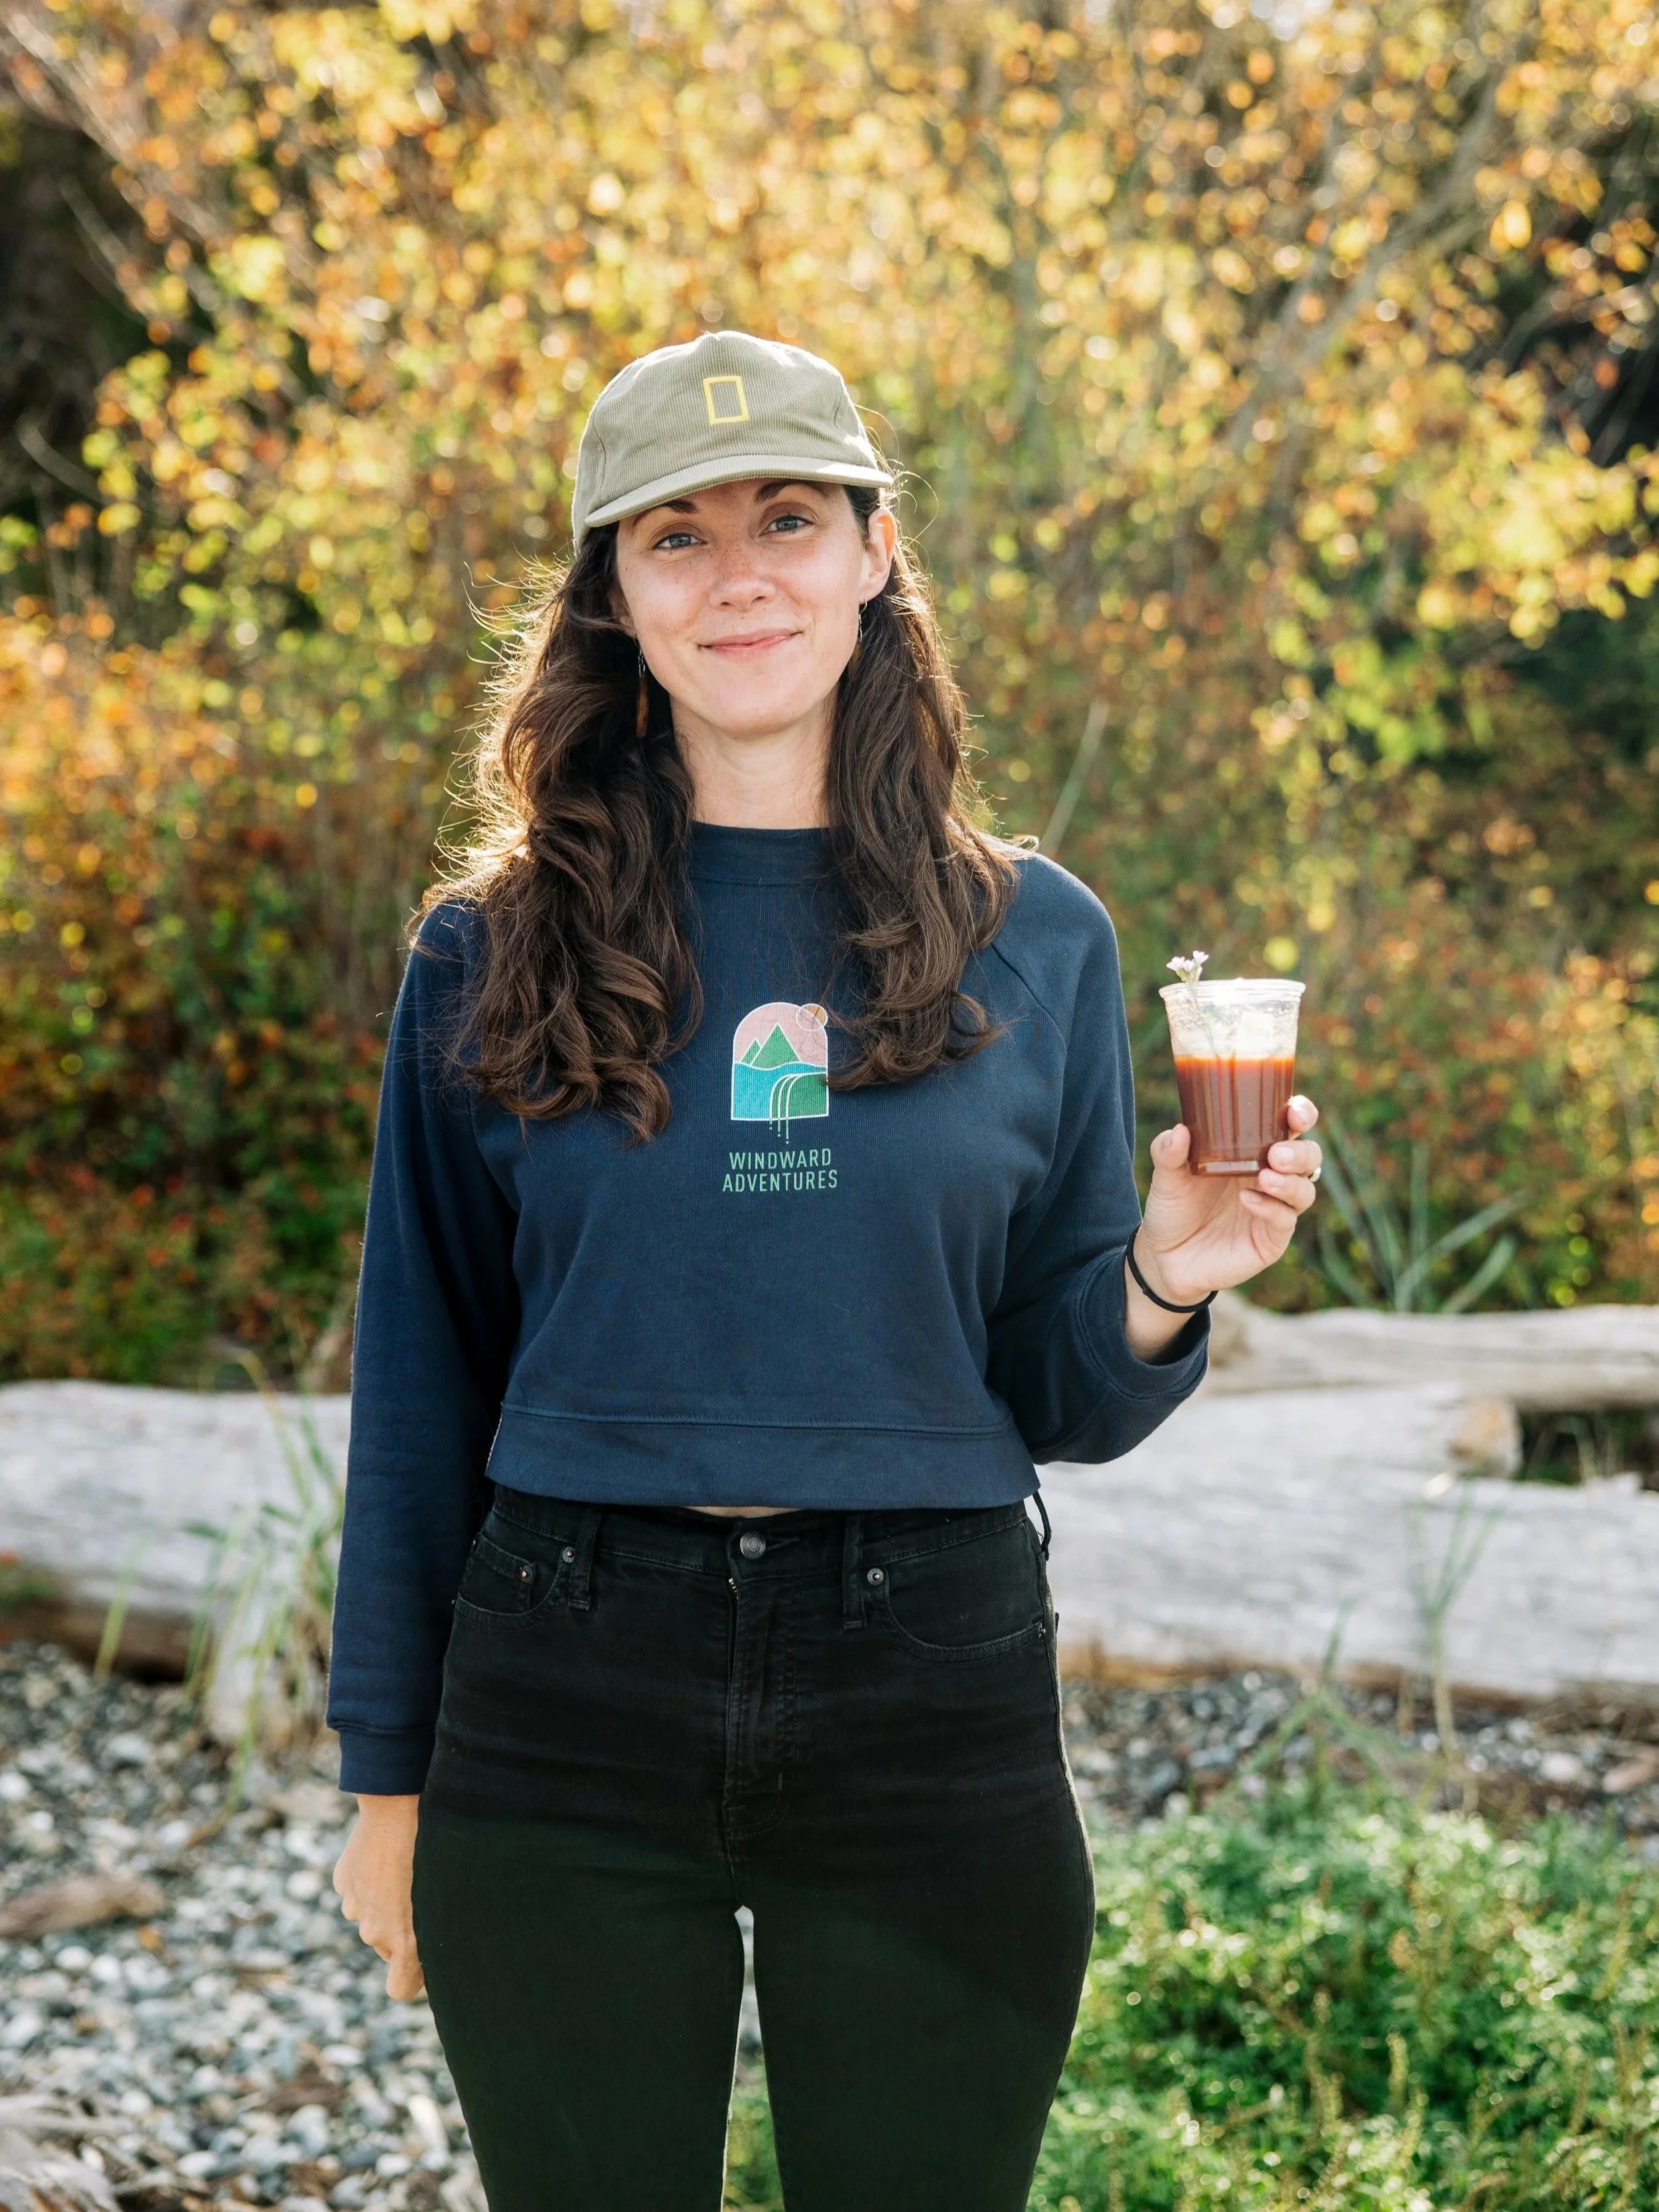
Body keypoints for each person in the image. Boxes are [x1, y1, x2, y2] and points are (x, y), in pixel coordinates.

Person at [326, 329, 1322, 2212]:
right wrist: (390, 1782)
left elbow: (1050, 1393)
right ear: (614, 597)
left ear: (874, 550)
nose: (742, 573)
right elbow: (421, 1374)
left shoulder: (1037, 941)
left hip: (927, 1694)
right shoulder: (490, 948)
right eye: (676, 538)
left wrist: (1168, 1273)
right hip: (563, 1690)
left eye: (787, 515)